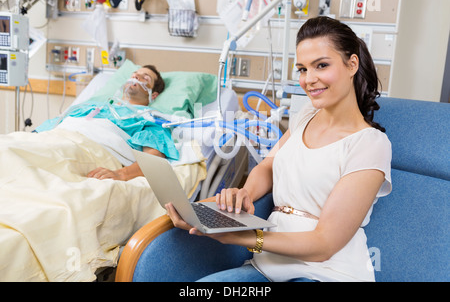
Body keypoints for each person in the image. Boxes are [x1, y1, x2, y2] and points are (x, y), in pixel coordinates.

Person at [165, 16, 392, 282]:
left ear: (352, 64)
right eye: (303, 69)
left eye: (321, 65)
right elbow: (269, 165)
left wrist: (241, 237)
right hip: (267, 266)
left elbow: (324, 244)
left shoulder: (369, 144)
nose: (309, 79)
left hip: (325, 273)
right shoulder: (306, 116)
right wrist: (244, 194)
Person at [36, 64, 179, 181]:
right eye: (135, 74)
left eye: (145, 77)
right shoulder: (92, 107)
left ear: (153, 95)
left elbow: (154, 160)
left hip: (86, 150)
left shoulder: (147, 118)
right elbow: (47, 128)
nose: (136, 76)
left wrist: (121, 174)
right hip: (51, 140)